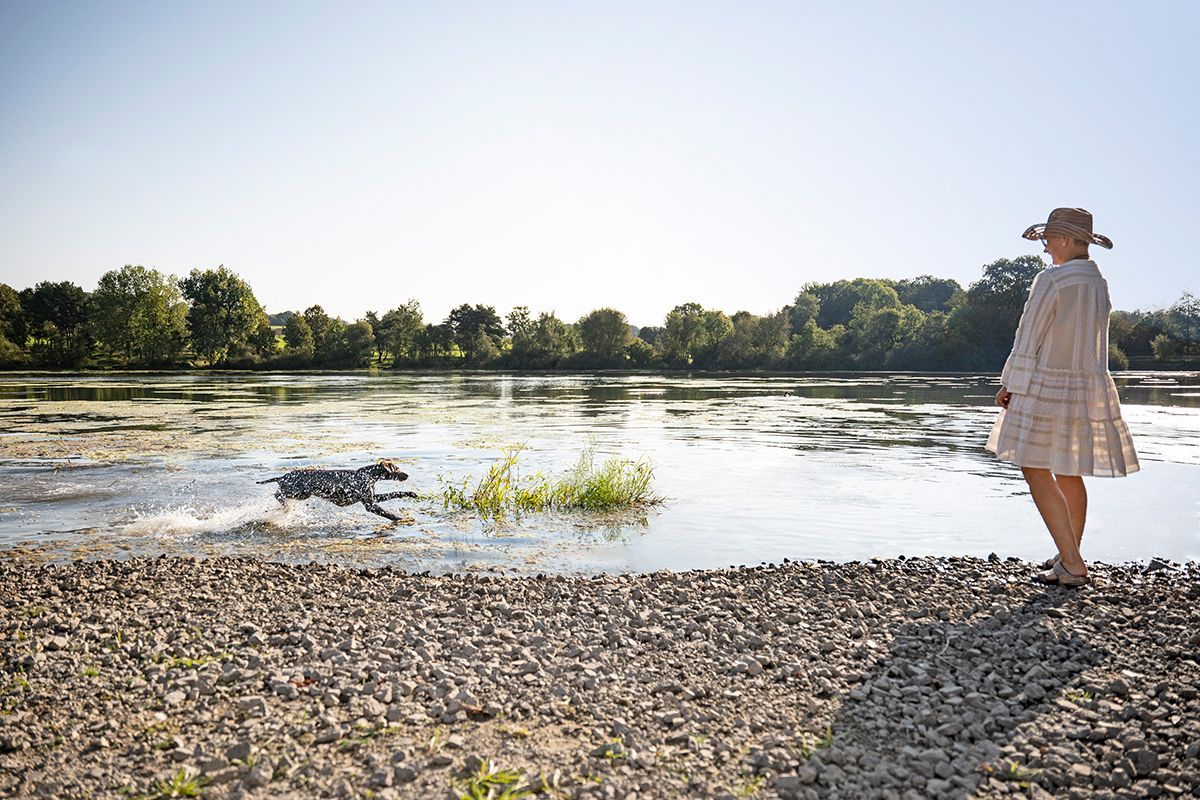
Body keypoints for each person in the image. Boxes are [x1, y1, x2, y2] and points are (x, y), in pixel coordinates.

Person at [986, 208, 1139, 587]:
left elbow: (1029, 336)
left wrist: (1010, 383)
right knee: (1068, 469)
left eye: (1049, 240)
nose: (1046, 247)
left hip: (1046, 383)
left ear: (1068, 240)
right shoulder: (1098, 283)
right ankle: (1068, 554)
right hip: (1087, 386)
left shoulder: (1052, 280)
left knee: (1034, 466)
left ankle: (1072, 562)